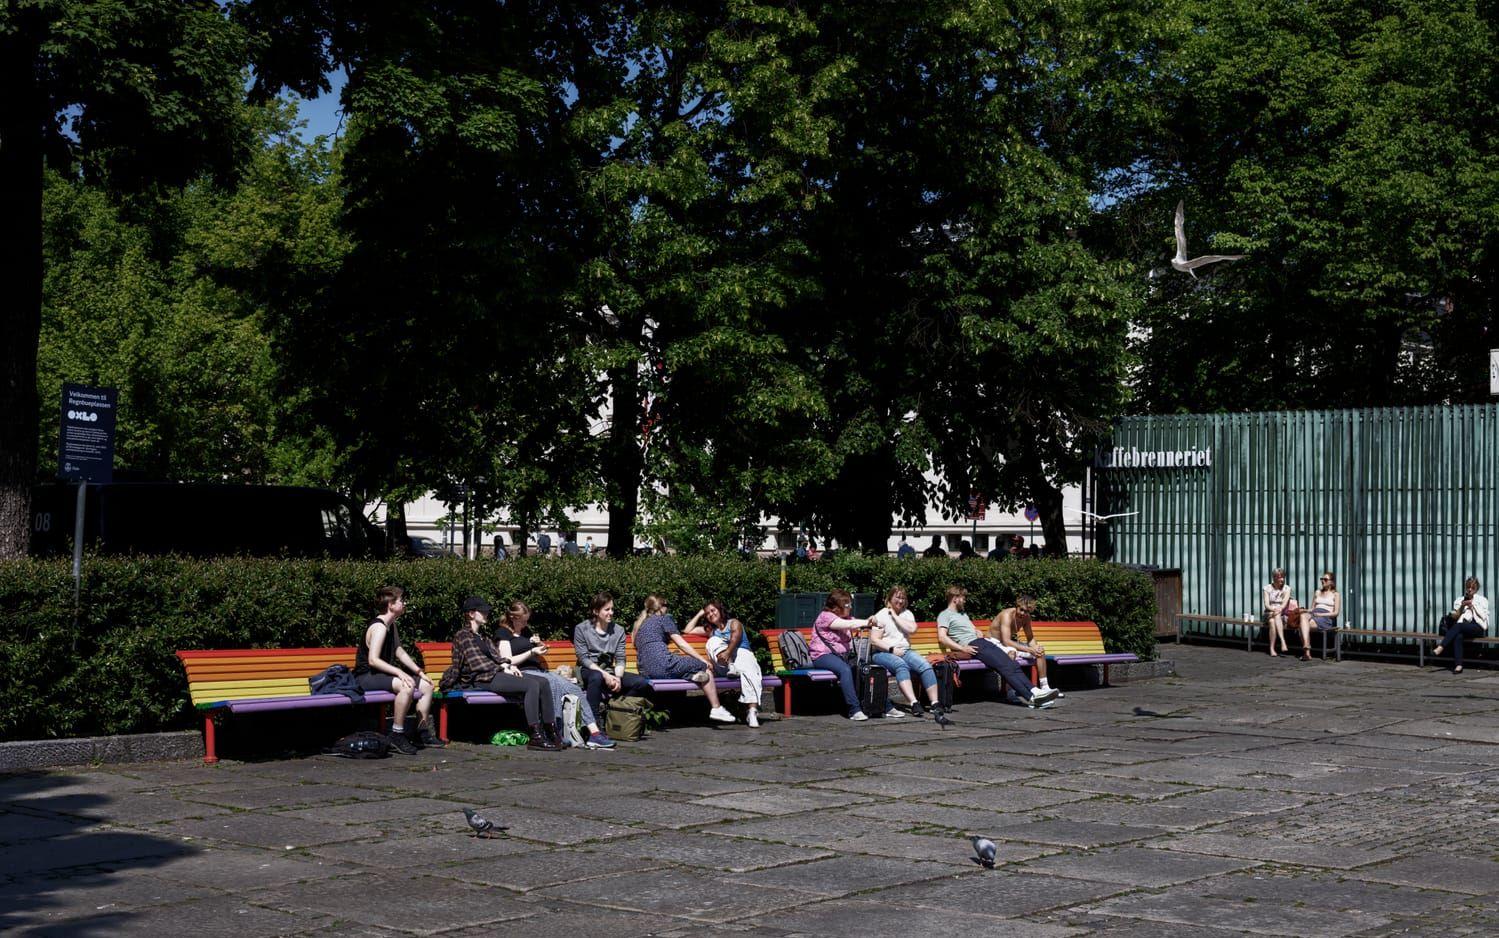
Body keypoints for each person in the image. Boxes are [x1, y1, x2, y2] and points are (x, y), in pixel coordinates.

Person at [495, 600, 615, 749]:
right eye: (523, 620)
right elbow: (508, 661)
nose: (526, 624)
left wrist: (539, 645)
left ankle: (595, 734)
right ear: (513, 618)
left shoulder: (526, 631)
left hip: (540, 670)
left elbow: (537, 651)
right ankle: (555, 732)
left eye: (527, 620)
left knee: (574, 688)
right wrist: (531, 651)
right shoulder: (503, 633)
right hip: (522, 672)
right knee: (553, 685)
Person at [447, 596, 562, 751]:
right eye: (483, 611)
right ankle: (536, 735)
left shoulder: (483, 637)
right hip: (481, 678)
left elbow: (498, 658)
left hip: (494, 674)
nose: (486, 614)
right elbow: (477, 663)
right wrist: (503, 668)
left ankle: (551, 732)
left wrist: (507, 665)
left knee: (544, 682)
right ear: (471, 614)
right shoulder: (463, 636)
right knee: (532, 685)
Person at [936, 586, 1058, 708]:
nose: (965, 600)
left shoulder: (962, 614)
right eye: (963, 598)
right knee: (1004, 666)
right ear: (955, 598)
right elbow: (942, 637)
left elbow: (970, 629)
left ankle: (1036, 691)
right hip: (974, 646)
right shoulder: (944, 615)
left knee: (1011, 664)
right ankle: (1031, 698)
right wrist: (962, 648)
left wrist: (976, 630)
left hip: (982, 642)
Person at [354, 586, 441, 753]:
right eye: (401, 600)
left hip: (381, 675)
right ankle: (396, 733)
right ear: (391, 605)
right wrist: (399, 672)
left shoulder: (391, 626)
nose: (404, 603)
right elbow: (373, 660)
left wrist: (419, 672)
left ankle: (422, 732)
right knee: (406, 686)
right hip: (366, 677)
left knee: (426, 685)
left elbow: (399, 651)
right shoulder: (379, 627)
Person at [632, 595, 737, 723]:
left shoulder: (640, 625)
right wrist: (702, 660)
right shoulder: (663, 618)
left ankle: (693, 676)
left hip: (645, 671)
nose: (668, 609)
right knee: (704, 668)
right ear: (660, 608)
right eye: (667, 606)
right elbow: (681, 644)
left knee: (685, 666)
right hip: (663, 665)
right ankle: (716, 708)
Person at [809, 589, 892, 721]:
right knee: (845, 670)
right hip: (822, 656)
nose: (851, 607)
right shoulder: (825, 617)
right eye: (847, 605)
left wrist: (876, 621)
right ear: (836, 608)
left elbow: (862, 623)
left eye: (850, 604)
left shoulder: (846, 617)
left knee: (867, 669)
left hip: (842, 656)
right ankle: (854, 710)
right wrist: (867, 621)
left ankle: (884, 706)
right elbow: (850, 624)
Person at [871, 586, 949, 725]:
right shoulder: (880, 615)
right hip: (883, 653)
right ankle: (914, 703)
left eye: (902, 598)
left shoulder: (907, 614)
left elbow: (912, 629)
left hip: (905, 651)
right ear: (889, 598)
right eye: (897, 597)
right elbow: (875, 640)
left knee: (925, 665)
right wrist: (892, 649)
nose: (900, 601)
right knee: (901, 666)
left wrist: (894, 616)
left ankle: (935, 703)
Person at [573, 591, 653, 722]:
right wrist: (605, 675)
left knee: (641, 683)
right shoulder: (582, 629)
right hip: (588, 670)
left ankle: (614, 709)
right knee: (596, 676)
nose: (611, 613)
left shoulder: (619, 630)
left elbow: (620, 658)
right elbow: (583, 659)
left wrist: (618, 678)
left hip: (610, 671)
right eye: (607, 609)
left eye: (612, 609)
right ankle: (593, 722)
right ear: (595, 611)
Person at [685, 600, 764, 728]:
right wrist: (700, 614)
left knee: (749, 666)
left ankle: (752, 712)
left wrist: (728, 652)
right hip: (724, 667)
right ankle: (731, 665)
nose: (710, 614)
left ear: (720, 610)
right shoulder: (711, 630)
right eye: (707, 613)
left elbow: (735, 637)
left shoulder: (734, 623)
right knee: (713, 641)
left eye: (713, 610)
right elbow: (688, 630)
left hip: (741, 658)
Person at [992, 593, 1058, 696]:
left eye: (1026, 611)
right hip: (994, 643)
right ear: (1017, 606)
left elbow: (1030, 638)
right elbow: (1006, 641)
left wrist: (1036, 649)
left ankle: (1045, 687)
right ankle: (1010, 691)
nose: (1023, 613)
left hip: (1005, 643)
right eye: (1021, 609)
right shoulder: (1007, 615)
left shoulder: (1026, 618)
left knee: (1040, 650)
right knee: (1011, 653)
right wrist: (1029, 650)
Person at [1432, 577, 1490, 674]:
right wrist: (1463, 606)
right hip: (1463, 626)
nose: (1470, 589)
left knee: (1459, 626)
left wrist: (1473, 606)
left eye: (1473, 588)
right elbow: (1455, 617)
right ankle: (1458, 665)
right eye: (1468, 587)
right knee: (1458, 635)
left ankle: (1441, 647)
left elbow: (1484, 616)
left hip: (1477, 627)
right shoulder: (1459, 600)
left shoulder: (1482, 600)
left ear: (1477, 589)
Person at [1295, 571, 1340, 659]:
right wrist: (1305, 610)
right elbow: (1312, 608)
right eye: (1321, 579)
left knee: (1302, 625)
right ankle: (1307, 646)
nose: (1323, 581)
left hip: (1326, 617)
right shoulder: (1317, 592)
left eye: (1325, 579)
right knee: (1303, 616)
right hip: (1314, 613)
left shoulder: (1335, 594)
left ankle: (1307, 652)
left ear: (1331, 582)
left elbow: (1336, 613)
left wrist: (1322, 614)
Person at [1262, 568, 1295, 657]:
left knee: (1273, 621)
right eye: (1279, 577)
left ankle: (1272, 648)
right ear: (1274, 578)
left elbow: (1284, 604)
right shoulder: (1267, 588)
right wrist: (1274, 609)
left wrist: (1279, 609)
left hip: (1282, 613)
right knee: (1274, 618)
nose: (1282, 579)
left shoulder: (1287, 588)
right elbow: (1267, 605)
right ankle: (1282, 641)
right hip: (1269, 613)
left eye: (1283, 577)